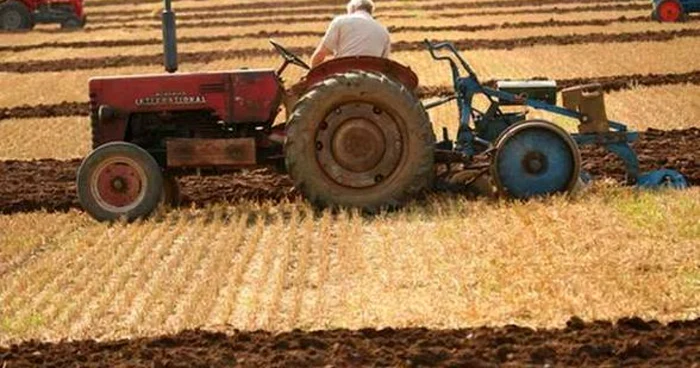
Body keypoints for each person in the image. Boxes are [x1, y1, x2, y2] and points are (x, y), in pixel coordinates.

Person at [310, 0, 391, 67]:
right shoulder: (384, 31)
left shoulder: (341, 21)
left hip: (344, 71)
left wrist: (311, 75)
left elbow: (321, 54)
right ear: (370, 12)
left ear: (353, 9)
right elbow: (383, 63)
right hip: (372, 77)